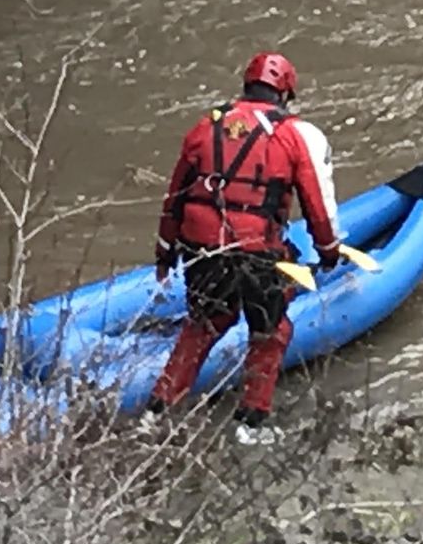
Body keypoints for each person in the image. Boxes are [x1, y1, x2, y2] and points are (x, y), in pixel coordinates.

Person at [145, 51, 340, 443]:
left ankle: (156, 414)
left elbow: (176, 196)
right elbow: (317, 204)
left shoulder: (205, 127)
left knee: (202, 325)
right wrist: (329, 249)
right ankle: (249, 425)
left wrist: (165, 252)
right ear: (284, 93)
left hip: (201, 250)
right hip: (255, 251)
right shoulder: (296, 134)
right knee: (271, 331)